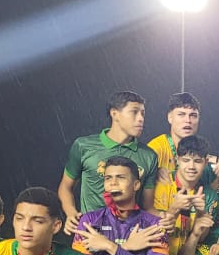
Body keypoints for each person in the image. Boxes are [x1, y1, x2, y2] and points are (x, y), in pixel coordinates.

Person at [59, 91, 159, 234]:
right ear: (114, 114)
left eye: (143, 113)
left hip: (130, 236)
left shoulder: (149, 156)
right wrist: (71, 214)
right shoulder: (83, 146)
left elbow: (148, 206)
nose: (140, 119)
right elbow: (65, 187)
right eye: (134, 112)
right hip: (91, 233)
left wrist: (169, 217)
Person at [145, 92, 203, 188]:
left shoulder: (200, 148)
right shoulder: (156, 148)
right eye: (181, 114)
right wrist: (153, 172)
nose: (188, 120)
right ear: (170, 118)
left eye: (193, 115)